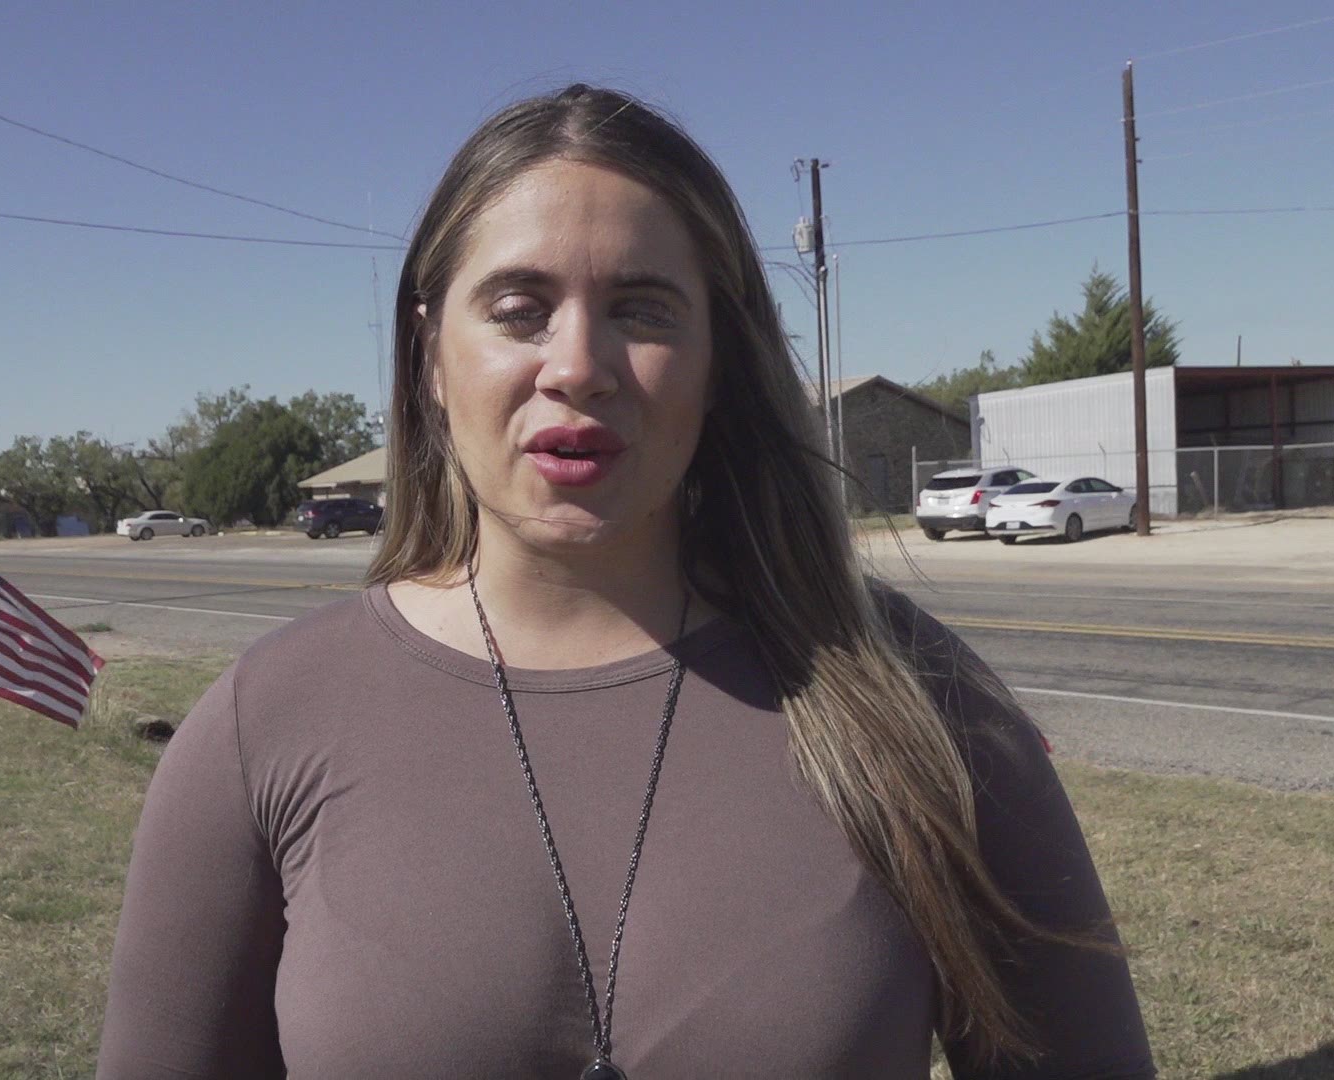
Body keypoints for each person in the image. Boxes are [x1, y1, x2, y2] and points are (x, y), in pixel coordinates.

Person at [98, 85, 1153, 1079]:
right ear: (429, 354)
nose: (579, 364)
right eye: (519, 308)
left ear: (719, 357)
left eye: (643, 310)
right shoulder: (266, 723)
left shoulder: (914, 697)